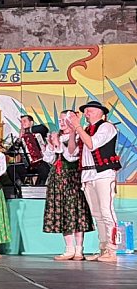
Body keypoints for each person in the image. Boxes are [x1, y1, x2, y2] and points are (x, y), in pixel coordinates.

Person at [68, 101, 122, 263]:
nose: (86, 114)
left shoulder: (106, 127)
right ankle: (103, 248)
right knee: (97, 214)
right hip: (87, 175)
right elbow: (72, 152)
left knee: (106, 211)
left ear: (100, 112)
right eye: (85, 111)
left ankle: (112, 249)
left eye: (89, 111)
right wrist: (73, 132)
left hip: (103, 174)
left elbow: (92, 144)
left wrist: (78, 127)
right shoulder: (85, 130)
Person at [42, 111, 93, 260]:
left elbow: (72, 156)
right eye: (60, 120)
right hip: (57, 178)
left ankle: (79, 249)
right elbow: (49, 159)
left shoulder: (78, 136)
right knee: (64, 213)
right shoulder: (56, 136)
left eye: (65, 120)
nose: (62, 123)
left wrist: (59, 146)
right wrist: (51, 146)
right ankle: (69, 248)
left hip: (72, 177)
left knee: (76, 212)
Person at [9, 115, 50, 185]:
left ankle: (39, 187)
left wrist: (27, 131)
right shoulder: (21, 137)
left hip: (40, 163)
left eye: (24, 121)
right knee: (11, 168)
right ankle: (21, 187)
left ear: (31, 123)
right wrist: (19, 139)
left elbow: (43, 129)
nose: (22, 124)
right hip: (27, 165)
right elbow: (11, 153)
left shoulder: (38, 132)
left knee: (45, 168)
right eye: (21, 122)